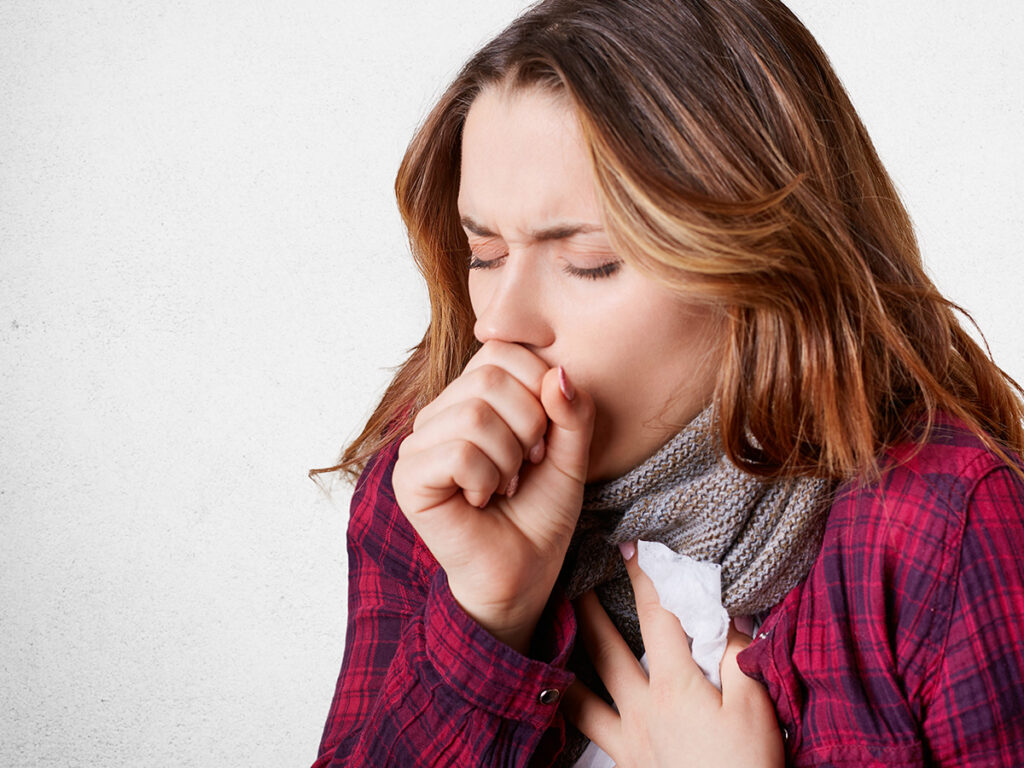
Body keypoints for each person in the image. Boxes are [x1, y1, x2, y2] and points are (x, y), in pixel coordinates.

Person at [311, 1, 1024, 765]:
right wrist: (487, 615)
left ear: (760, 268)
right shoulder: (434, 482)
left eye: (589, 261)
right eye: (484, 253)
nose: (500, 324)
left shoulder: (944, 528)